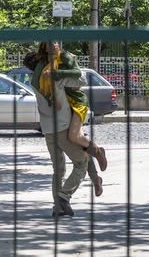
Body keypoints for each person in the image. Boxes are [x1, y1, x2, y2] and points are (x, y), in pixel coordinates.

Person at [29, 44, 107, 198]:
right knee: (81, 152)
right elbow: (81, 80)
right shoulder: (48, 78)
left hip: (60, 119)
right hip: (63, 122)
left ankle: (95, 169)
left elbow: (79, 80)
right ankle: (93, 178)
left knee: (76, 149)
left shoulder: (40, 81)